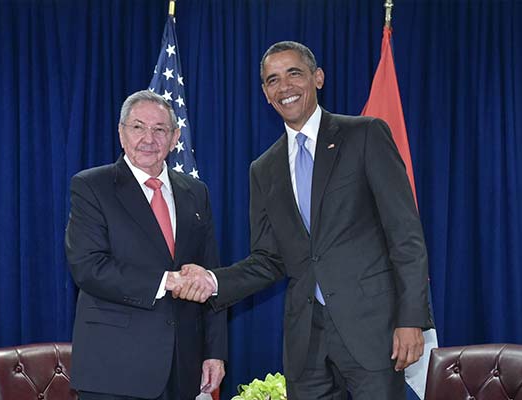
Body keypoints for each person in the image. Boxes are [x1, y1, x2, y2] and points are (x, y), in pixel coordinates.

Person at [172, 41, 433, 399]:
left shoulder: (365, 135)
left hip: (374, 333)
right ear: (265, 93)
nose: (285, 87)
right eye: (273, 80)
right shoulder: (263, 169)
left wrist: (412, 319)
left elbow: (405, 235)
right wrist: (213, 281)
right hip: (306, 344)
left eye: (294, 73)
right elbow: (269, 259)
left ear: (318, 78)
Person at [65, 90, 227, 400]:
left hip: (184, 367)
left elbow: (210, 276)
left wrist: (214, 352)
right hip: (115, 370)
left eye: (159, 129)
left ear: (175, 136)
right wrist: (168, 281)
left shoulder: (196, 192)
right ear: (121, 132)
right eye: (138, 127)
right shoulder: (91, 186)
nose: (148, 138)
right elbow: (88, 268)